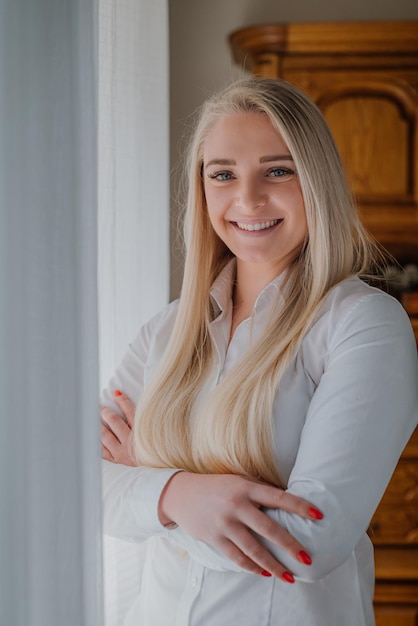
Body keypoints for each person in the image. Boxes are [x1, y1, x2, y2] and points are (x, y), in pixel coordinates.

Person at [100, 77, 418, 626]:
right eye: (223, 174)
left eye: (277, 170)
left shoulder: (363, 324)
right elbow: (75, 487)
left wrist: (146, 485)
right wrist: (176, 495)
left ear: (315, 180)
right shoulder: (168, 328)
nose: (247, 199)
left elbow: (305, 544)